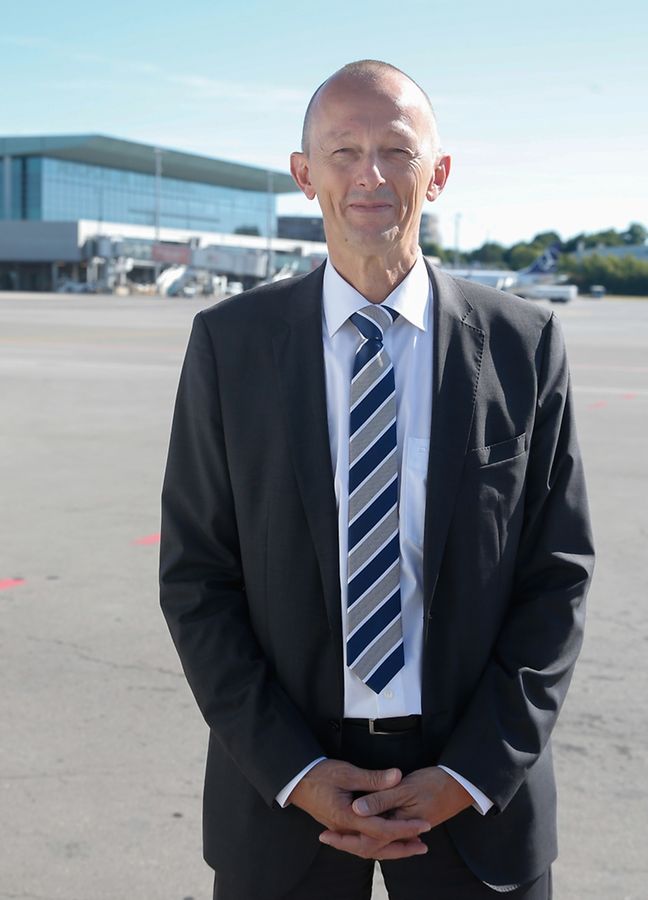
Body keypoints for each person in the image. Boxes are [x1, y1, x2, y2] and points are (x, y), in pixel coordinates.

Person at [160, 60, 594, 900]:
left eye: (397, 151)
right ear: (304, 174)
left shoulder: (524, 343)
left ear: (439, 173)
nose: (371, 174)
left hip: (478, 804)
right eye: (344, 150)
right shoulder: (230, 345)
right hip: (284, 801)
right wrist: (297, 771)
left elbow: (558, 577)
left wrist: (469, 773)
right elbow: (197, 581)